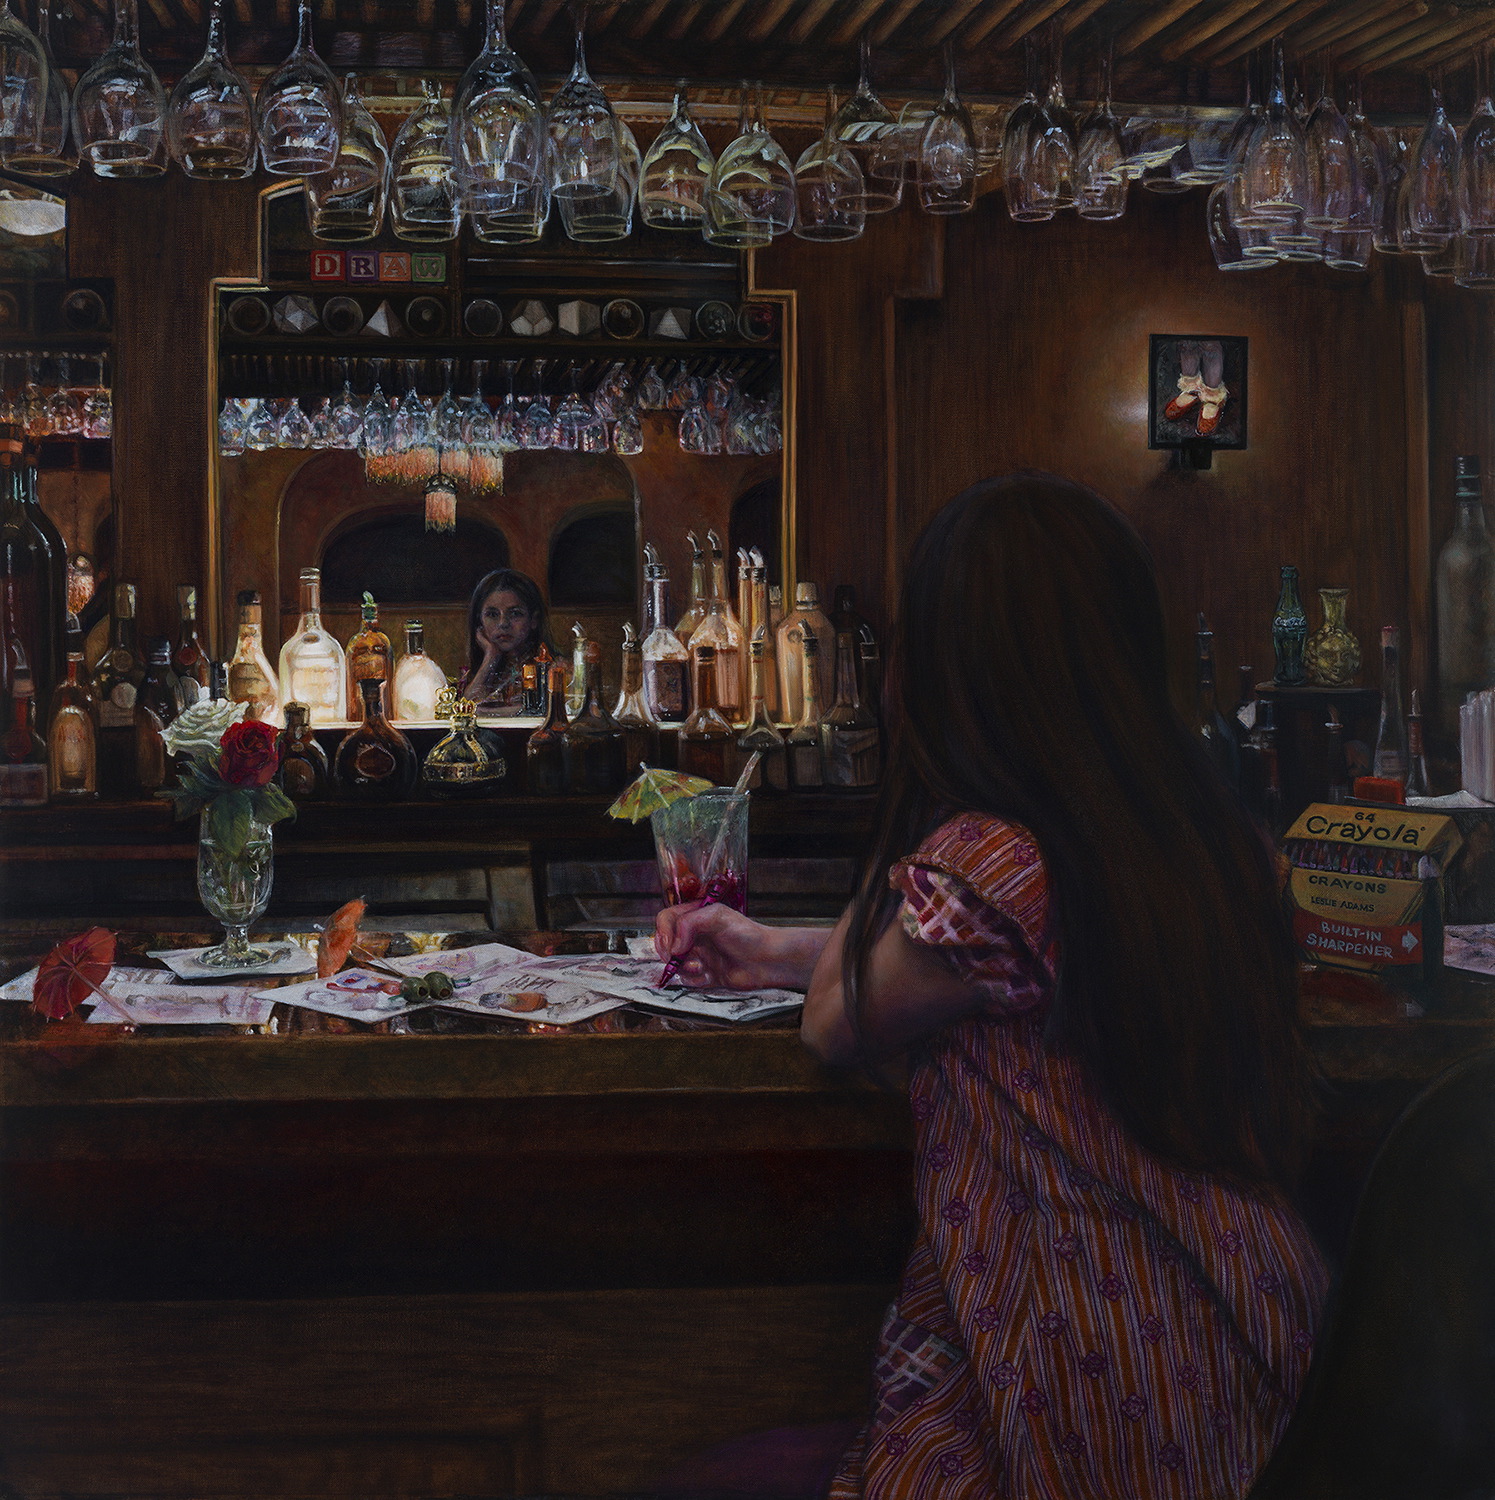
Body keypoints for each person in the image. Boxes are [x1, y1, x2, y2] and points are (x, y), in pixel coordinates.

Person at [654, 473, 1327, 1500]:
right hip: (1236, 1330)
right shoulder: (1202, 841)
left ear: (955, 668)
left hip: (1077, 1360)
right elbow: (988, 966)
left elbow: (836, 1022)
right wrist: (770, 948)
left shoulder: (987, 858)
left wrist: (900, 833)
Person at [465, 568, 551, 711]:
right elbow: (466, 708)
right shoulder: (480, 673)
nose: (503, 623)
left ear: (533, 620)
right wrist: (490, 657)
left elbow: (536, 711)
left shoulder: (550, 670)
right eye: (492, 615)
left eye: (515, 614)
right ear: (480, 621)